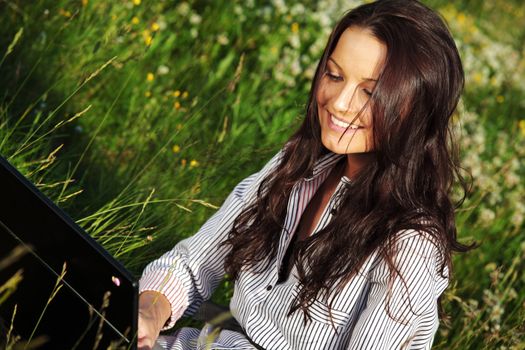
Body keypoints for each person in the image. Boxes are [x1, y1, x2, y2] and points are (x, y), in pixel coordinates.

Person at [137, 0, 472, 349]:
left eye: (369, 92)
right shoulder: (298, 165)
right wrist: (149, 310)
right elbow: (196, 262)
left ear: (417, 110)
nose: (339, 102)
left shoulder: (409, 244)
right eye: (334, 74)